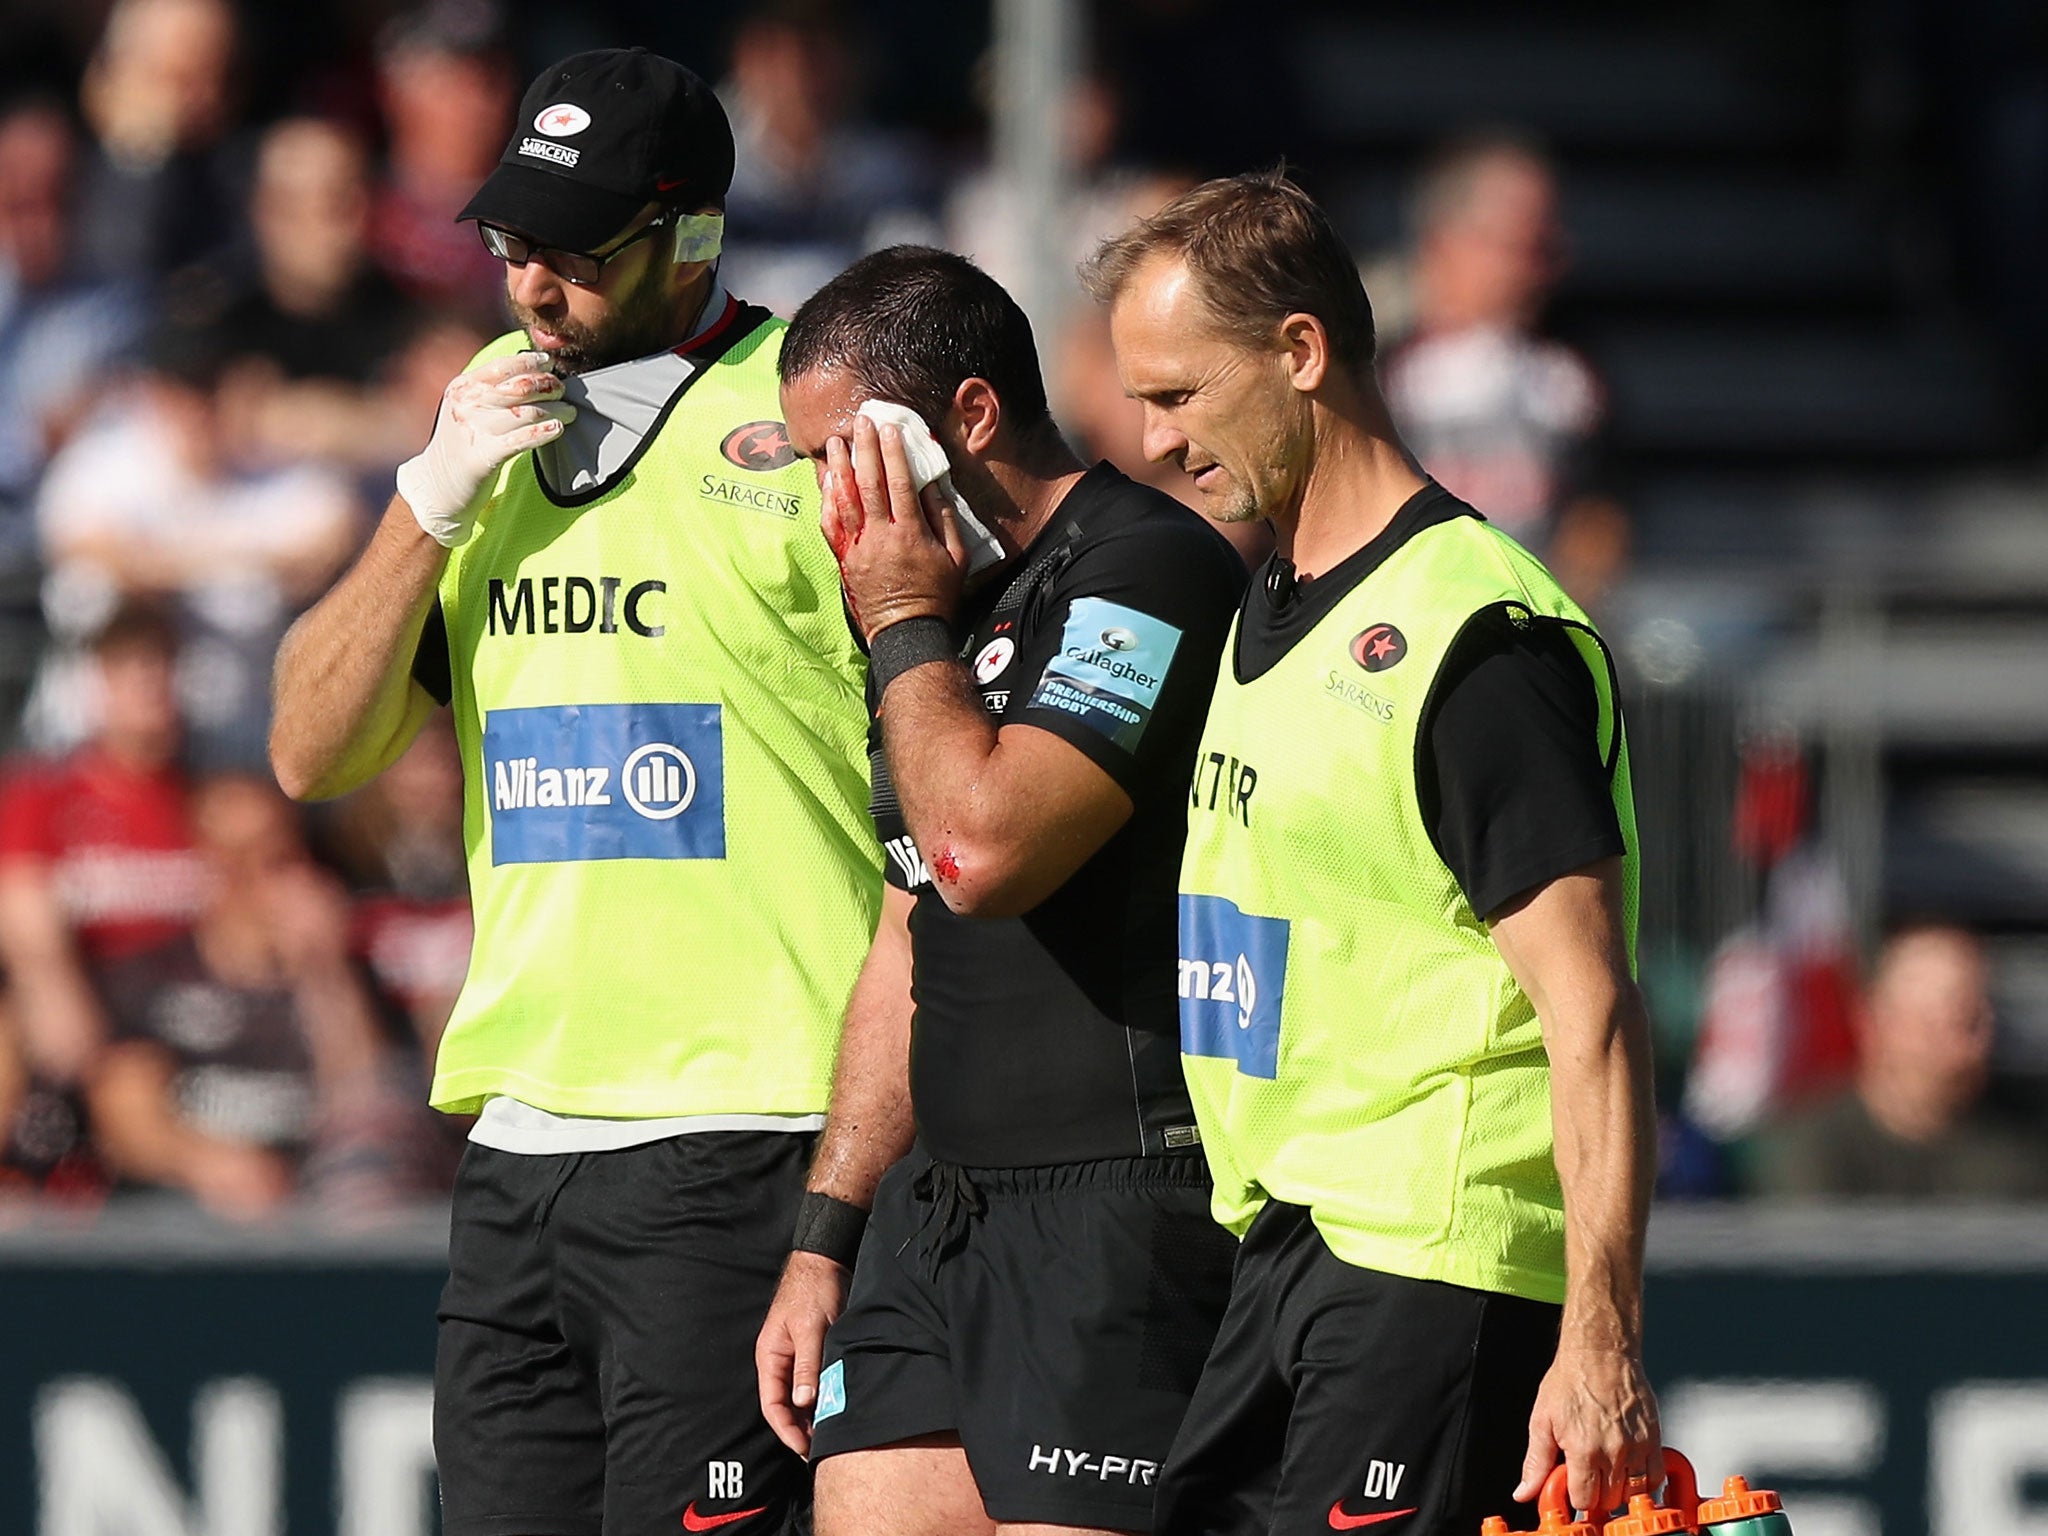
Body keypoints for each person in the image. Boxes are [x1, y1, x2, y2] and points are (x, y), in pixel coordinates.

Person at [268, 47, 879, 1536]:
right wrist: (423, 503)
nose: (534, 284)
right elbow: (308, 750)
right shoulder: (493, 412)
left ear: (693, 235)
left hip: (747, 1125)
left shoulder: (811, 410)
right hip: (522, 1138)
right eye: (510, 242)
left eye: (576, 248)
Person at [1083, 171, 1661, 1532]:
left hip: (1433, 1257)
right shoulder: (1268, 598)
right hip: (1298, 1244)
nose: (1153, 443)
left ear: (1300, 352)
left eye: (1179, 396)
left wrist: (1603, 1342)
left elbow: (1594, 1012)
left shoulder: (1472, 640)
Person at [758, 246, 1248, 1536]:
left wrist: (903, 623)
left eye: (841, 456)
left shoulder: (1146, 570)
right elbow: (908, 930)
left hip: (1115, 1206)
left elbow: (985, 853)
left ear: (968, 417)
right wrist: (824, 1232)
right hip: (937, 1210)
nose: (830, 510)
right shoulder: (930, 613)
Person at [86, 773, 423, 1219]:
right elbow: (125, 1113)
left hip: (322, 1205)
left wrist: (325, 972)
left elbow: (366, 1099)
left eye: (281, 854)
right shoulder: (154, 977)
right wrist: (208, 1163)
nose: (272, 875)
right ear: (208, 861)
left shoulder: (352, 974)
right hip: (188, 1209)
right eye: (244, 857)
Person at [1375, 132, 1627, 605]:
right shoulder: (1371, 354)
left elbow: (1601, 516)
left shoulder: (1570, 367)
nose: (1551, 268)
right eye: (1529, 246)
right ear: (1446, 240)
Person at [1753, 923, 2048, 1199]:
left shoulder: (2024, 1148)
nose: (1969, 1047)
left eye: (1976, 1022)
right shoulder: (1813, 1151)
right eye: (1936, 1025)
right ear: (1874, 1023)